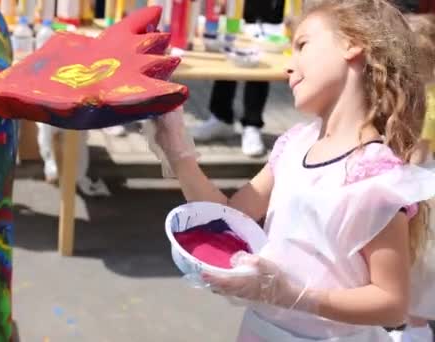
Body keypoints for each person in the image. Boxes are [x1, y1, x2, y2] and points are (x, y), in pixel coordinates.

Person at [146, 0, 435, 340]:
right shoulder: (295, 143)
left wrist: (295, 296)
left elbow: (391, 302)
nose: (289, 65)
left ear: (352, 44)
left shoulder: (373, 173)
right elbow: (226, 217)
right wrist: (179, 151)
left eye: (302, 45)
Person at [191, 0, 285, 157]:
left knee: (261, 59)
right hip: (234, 9)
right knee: (228, 45)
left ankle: (252, 124)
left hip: (267, 13)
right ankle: (221, 118)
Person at [395, 12, 435, 342]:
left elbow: (418, 154)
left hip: (422, 190)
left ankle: (415, 333)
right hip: (423, 184)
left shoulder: (424, 103)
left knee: (420, 270)